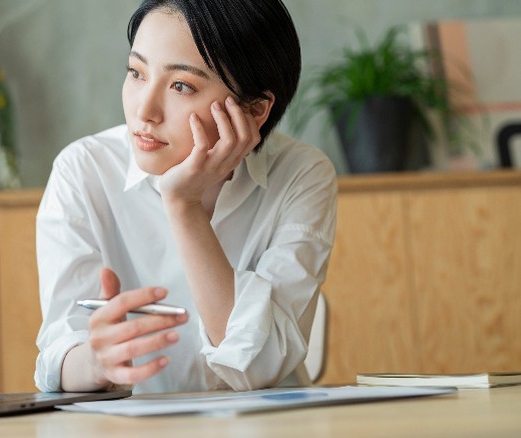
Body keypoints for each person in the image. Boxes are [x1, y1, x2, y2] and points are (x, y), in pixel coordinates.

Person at [35, 0, 337, 394]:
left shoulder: (301, 175)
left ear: (256, 109)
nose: (144, 110)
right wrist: (96, 359)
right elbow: (57, 358)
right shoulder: (83, 170)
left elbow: (257, 368)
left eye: (181, 86)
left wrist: (183, 205)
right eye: (136, 72)